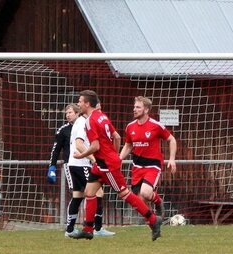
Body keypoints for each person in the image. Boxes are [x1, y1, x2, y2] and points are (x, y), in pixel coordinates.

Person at [71, 90, 162, 241]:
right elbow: (117, 137)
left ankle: (153, 219)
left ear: (87, 103)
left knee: (124, 194)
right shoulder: (102, 116)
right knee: (89, 192)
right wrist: (114, 154)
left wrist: (81, 155)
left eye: (80, 101)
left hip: (106, 165)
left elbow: (95, 146)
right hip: (102, 163)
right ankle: (88, 229)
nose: (79, 104)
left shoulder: (90, 121)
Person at [119, 96, 177, 220]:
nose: (134, 109)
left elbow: (172, 139)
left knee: (145, 192)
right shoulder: (130, 127)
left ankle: (157, 201)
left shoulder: (156, 125)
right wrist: (119, 159)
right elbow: (128, 145)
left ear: (146, 110)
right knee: (140, 199)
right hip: (137, 166)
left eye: (138, 107)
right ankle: (153, 221)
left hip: (152, 165)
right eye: (134, 107)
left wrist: (172, 159)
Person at [65, 105, 115, 238]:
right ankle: (97, 228)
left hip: (74, 164)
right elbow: (79, 144)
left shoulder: (81, 121)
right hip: (82, 164)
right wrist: (93, 159)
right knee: (97, 192)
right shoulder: (84, 122)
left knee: (77, 195)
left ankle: (69, 229)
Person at [47, 104, 79, 217]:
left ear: (77, 113)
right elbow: (55, 150)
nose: (67, 115)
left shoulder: (84, 126)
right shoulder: (63, 130)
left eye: (70, 112)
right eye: (66, 113)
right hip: (70, 164)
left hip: (84, 163)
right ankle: (70, 222)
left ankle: (89, 221)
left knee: (89, 191)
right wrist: (52, 167)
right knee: (75, 191)